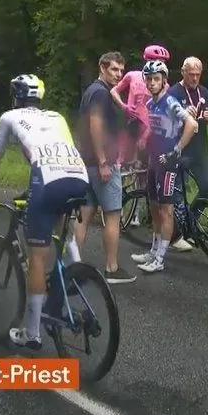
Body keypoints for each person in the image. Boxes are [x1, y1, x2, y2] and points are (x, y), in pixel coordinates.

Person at [0, 74, 89, 350]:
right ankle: (73, 274)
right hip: (79, 177)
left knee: (37, 256)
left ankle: (32, 333)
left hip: (47, 181)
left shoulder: (9, 117)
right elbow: (56, 154)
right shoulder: (56, 117)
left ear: (16, 96)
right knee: (62, 234)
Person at [73, 51, 136, 284]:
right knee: (112, 216)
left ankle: (73, 265)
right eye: (114, 70)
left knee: (84, 216)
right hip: (102, 164)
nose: (119, 75)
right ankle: (112, 268)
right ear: (102, 67)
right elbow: (95, 126)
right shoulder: (100, 93)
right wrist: (103, 162)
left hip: (86, 163)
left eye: (121, 70)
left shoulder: (92, 91)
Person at [129, 60, 197, 274]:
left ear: (164, 81)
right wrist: (144, 142)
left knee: (166, 210)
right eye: (148, 79)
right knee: (154, 206)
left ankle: (160, 258)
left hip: (168, 162)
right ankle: (153, 250)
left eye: (156, 79)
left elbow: (192, 125)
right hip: (153, 159)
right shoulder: (150, 104)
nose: (151, 83)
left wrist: (176, 151)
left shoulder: (170, 102)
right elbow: (156, 128)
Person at [166, 56, 208, 252]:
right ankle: (176, 234)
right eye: (191, 74)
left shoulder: (203, 91)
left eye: (198, 74)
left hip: (200, 151)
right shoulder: (173, 92)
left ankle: (190, 222)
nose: (195, 78)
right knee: (178, 196)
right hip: (180, 151)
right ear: (183, 72)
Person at [111, 44, 170, 171]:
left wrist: (144, 137)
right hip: (130, 124)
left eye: (163, 63)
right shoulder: (133, 75)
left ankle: (144, 189)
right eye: (159, 62)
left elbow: (158, 114)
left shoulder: (164, 85)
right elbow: (114, 91)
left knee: (145, 167)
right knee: (120, 162)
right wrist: (123, 106)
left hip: (148, 128)